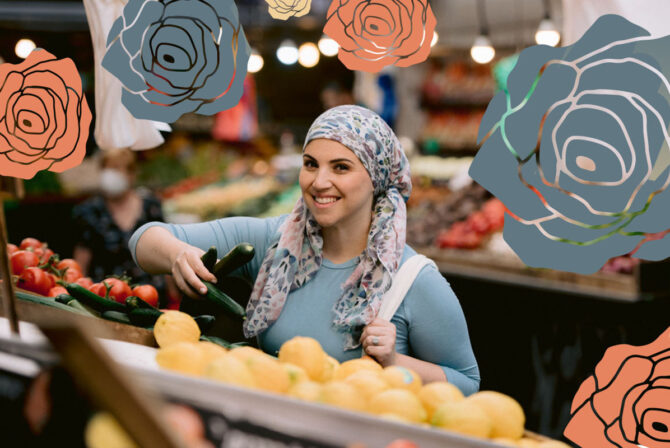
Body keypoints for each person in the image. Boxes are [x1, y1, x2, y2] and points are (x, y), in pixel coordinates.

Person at [129, 106, 480, 394]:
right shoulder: (277, 242)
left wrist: (394, 362)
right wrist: (177, 254)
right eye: (311, 164)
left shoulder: (413, 280)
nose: (319, 181)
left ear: (376, 178)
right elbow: (144, 239)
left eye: (341, 167)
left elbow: (467, 384)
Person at [73, 148, 167, 297]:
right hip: (107, 297)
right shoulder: (89, 211)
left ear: (131, 174)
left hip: (150, 295)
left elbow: (164, 252)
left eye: (116, 169)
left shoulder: (151, 207)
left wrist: (175, 295)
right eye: (106, 169)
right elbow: (81, 263)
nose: (110, 175)